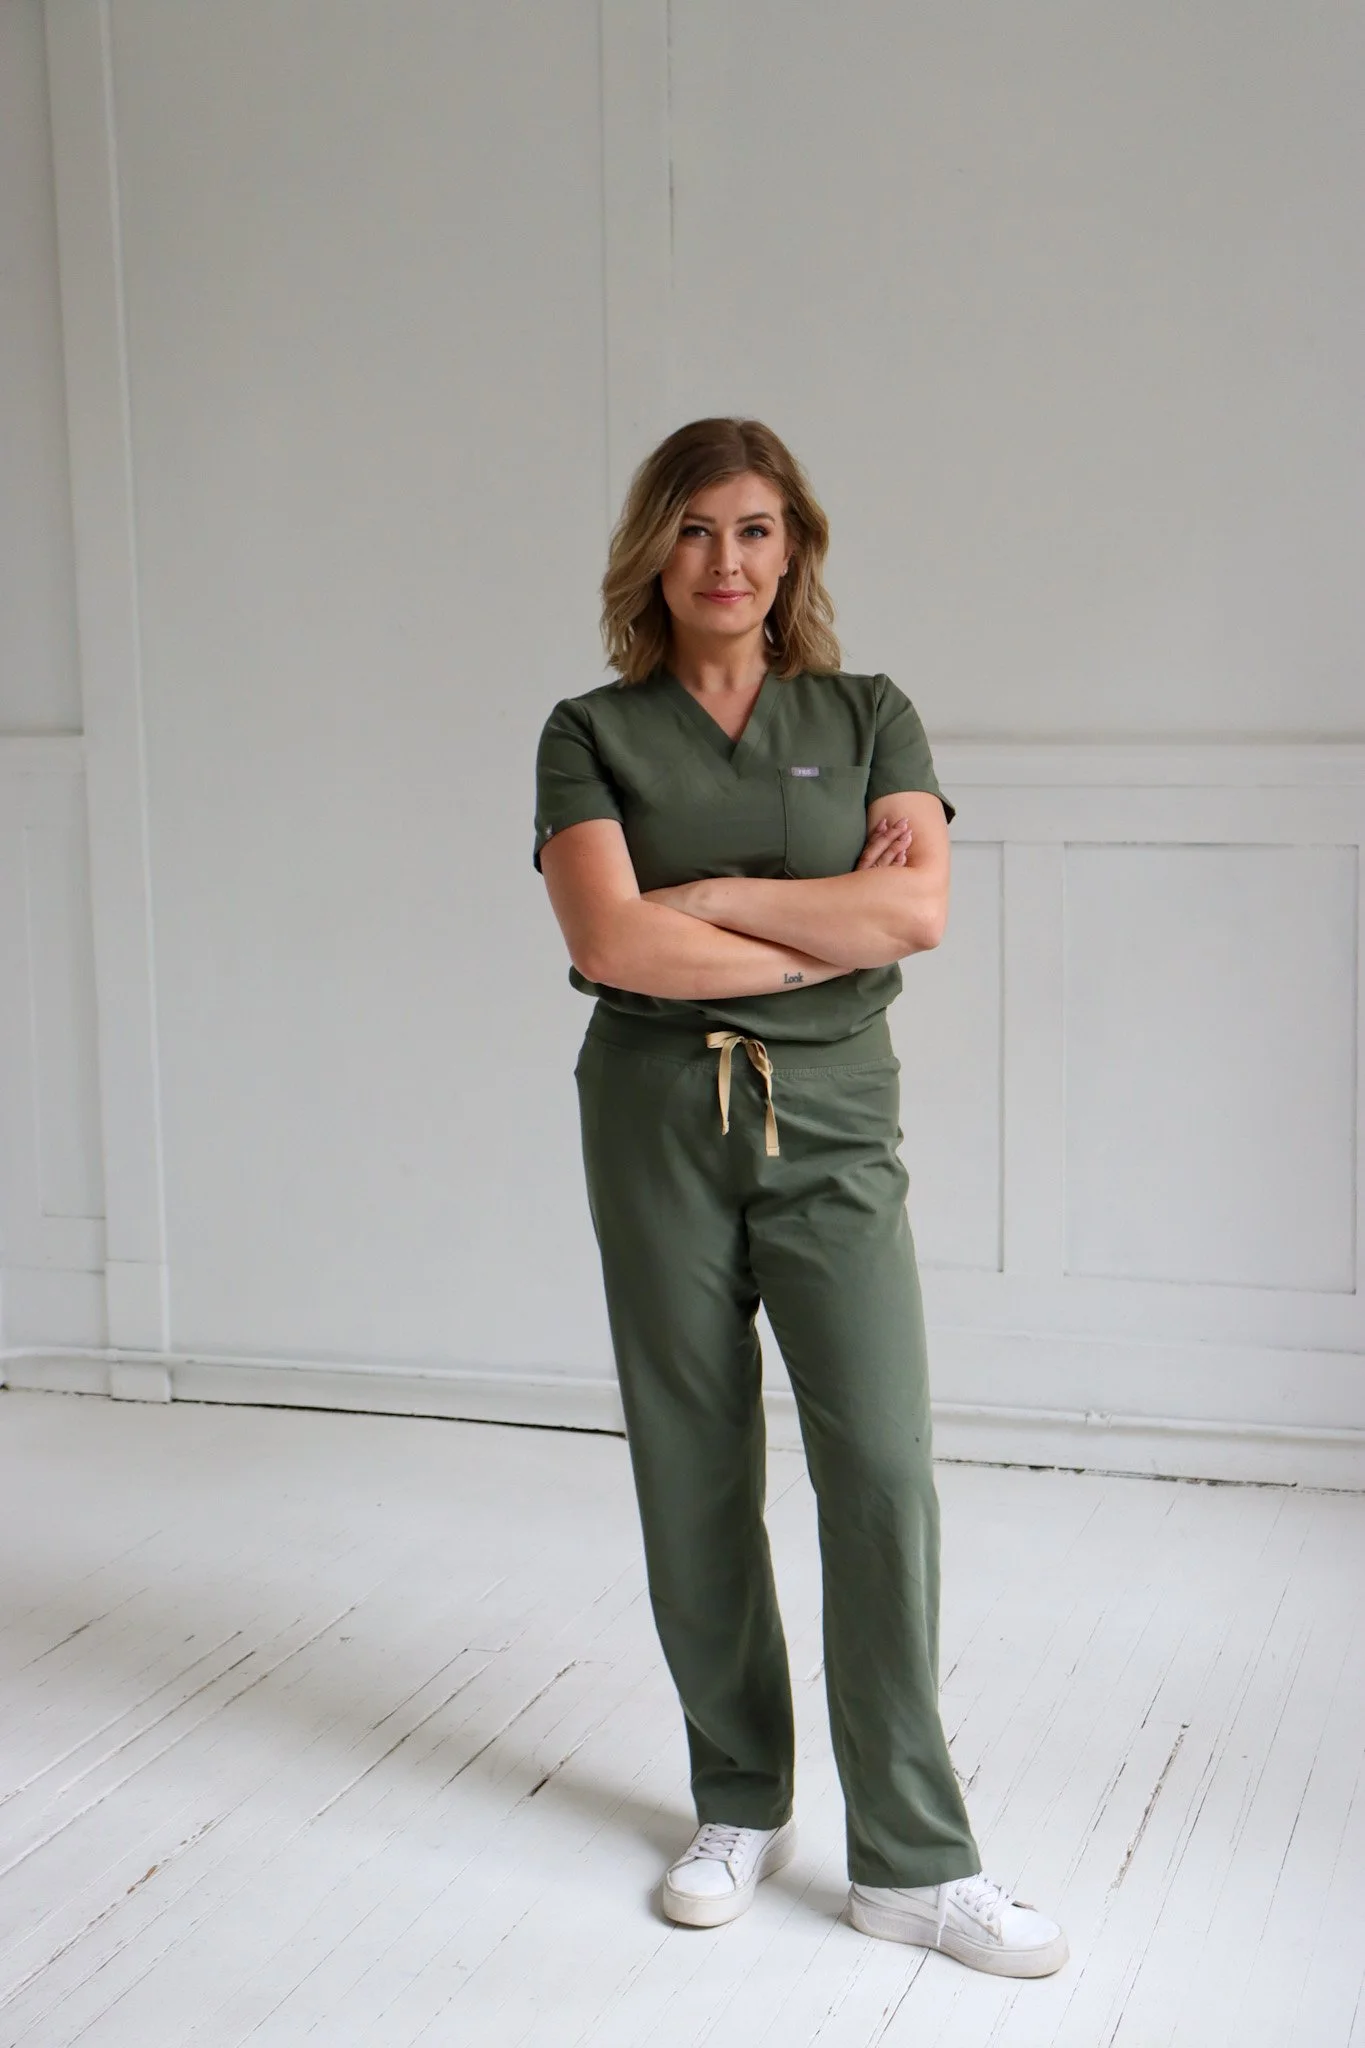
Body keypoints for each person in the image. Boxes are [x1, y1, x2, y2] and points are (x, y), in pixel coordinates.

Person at [532, 417, 1067, 1978]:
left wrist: (714, 900)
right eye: (698, 529)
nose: (728, 560)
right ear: (656, 551)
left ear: (795, 549)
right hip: (654, 1121)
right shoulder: (589, 729)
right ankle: (739, 1799)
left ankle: (913, 1859)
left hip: (832, 1120)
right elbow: (615, 947)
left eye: (757, 530)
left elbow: (917, 909)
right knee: (695, 1462)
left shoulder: (869, 709)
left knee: (883, 1468)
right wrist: (813, 940)